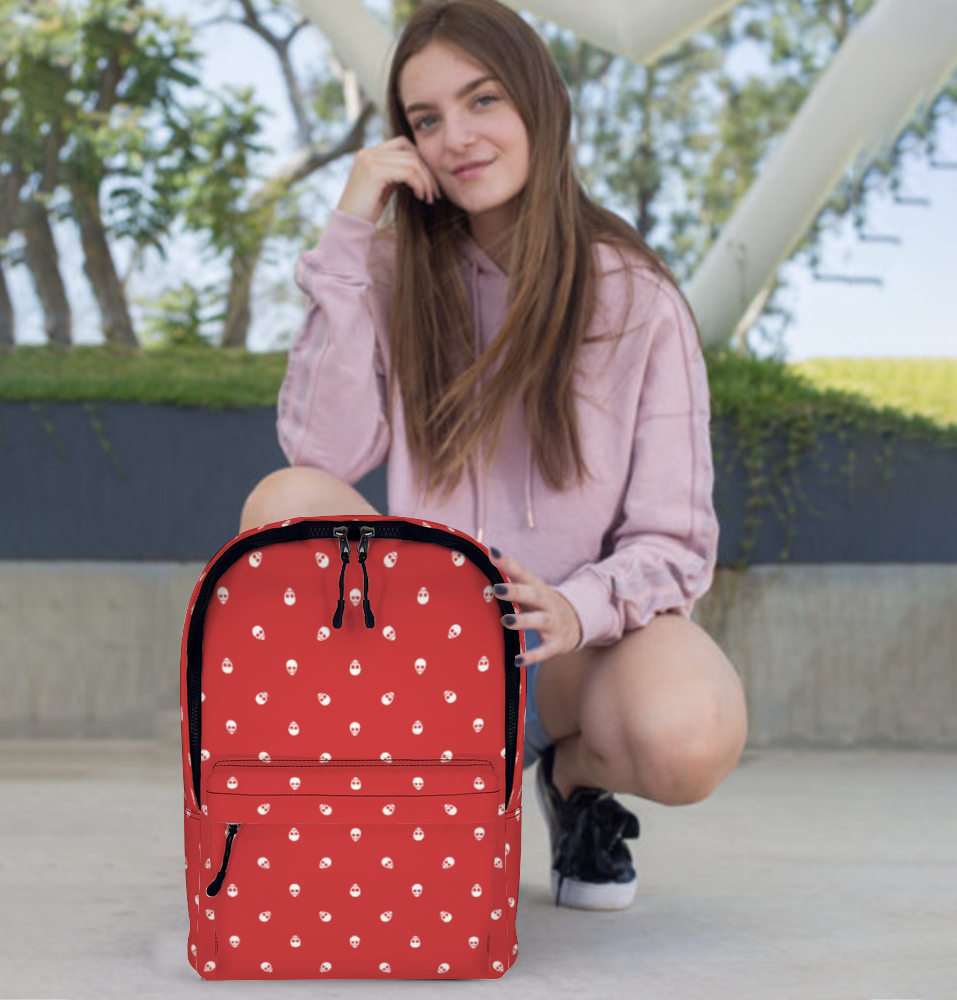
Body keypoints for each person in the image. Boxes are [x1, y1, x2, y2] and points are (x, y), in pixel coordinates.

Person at [240, 0, 748, 911]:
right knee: (284, 499)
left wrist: (573, 606)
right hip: (416, 646)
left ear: (541, 103)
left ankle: (571, 784)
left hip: (566, 653)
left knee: (689, 731)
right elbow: (322, 449)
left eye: (482, 101)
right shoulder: (391, 273)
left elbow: (675, 542)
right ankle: (403, 796)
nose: (456, 138)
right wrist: (352, 228)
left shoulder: (636, 297)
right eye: (425, 119)